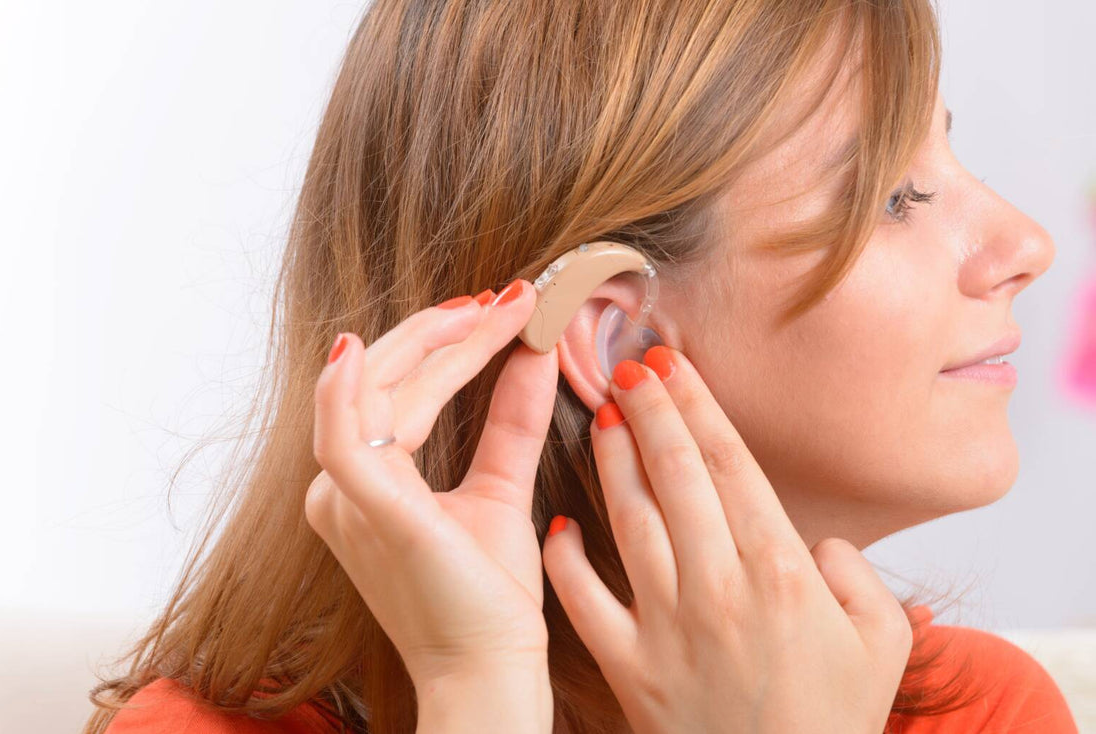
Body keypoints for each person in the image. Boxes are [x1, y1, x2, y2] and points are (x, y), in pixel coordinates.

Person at [84, 0, 1077, 732]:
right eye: (895, 196)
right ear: (612, 338)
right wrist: (479, 691)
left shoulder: (980, 711)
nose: (1022, 242)